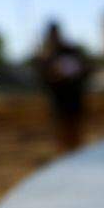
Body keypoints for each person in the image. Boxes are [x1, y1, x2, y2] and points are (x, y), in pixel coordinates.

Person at [35, 22, 91, 152]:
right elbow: (43, 80)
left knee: (75, 132)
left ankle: (76, 156)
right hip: (59, 101)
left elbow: (85, 70)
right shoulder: (47, 56)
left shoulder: (71, 51)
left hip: (73, 97)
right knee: (62, 133)